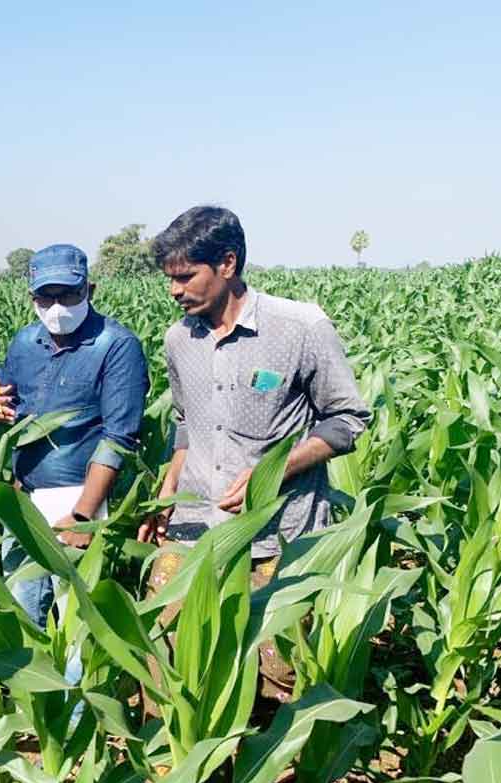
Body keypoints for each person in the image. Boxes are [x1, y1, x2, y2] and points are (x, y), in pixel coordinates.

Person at [137, 206, 370, 700]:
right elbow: (185, 424)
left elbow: (348, 420)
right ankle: (178, 770)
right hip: (193, 526)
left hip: (276, 536)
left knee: (276, 672)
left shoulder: (300, 329)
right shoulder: (179, 339)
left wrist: (276, 470)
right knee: (166, 654)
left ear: (227, 263)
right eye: (169, 280)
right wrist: (165, 497)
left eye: (184, 277)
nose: (174, 291)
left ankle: (270, 772)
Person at [0, 244, 149, 625]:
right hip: (23, 502)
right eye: (46, 297)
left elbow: (119, 438)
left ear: (91, 289)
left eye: (69, 294)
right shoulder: (24, 343)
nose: (58, 307)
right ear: (31, 297)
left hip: (78, 499)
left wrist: (83, 514)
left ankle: (74, 688)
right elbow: (4, 402)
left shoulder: (116, 346)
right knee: (22, 614)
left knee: (75, 623)